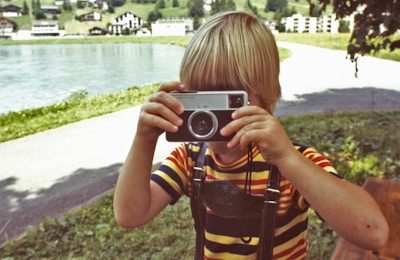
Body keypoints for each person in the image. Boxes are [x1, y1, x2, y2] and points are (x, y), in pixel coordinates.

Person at [113, 11, 389, 259]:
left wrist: (287, 159)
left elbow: (372, 232)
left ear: (266, 101)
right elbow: (129, 214)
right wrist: (144, 139)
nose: (211, 115)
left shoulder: (293, 163)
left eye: (227, 100)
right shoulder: (190, 158)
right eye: (200, 99)